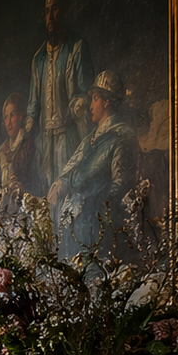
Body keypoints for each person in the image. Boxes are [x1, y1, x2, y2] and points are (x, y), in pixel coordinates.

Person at [47, 70, 141, 248]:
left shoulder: (122, 137)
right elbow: (73, 167)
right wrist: (61, 183)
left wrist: (92, 208)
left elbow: (120, 188)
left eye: (95, 98)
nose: (90, 106)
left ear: (107, 101)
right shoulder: (90, 138)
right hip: (76, 227)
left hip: (98, 231)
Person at [25, 0, 95, 184]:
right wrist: (27, 130)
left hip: (70, 137)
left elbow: (86, 92)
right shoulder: (38, 59)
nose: (50, 16)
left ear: (65, 10)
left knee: (69, 190)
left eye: (55, 8)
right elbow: (33, 106)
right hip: (46, 142)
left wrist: (79, 104)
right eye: (47, 11)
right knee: (49, 194)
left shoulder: (77, 47)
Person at [0, 92, 41, 200]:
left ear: (20, 116)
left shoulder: (30, 146)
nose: (8, 123)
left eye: (12, 115)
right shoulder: (1, 153)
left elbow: (40, 183)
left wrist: (23, 189)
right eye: (6, 117)